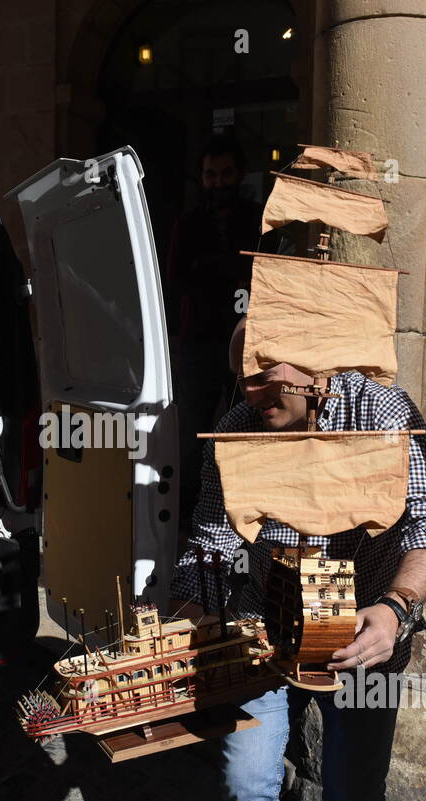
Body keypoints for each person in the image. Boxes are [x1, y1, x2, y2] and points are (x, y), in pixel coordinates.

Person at [171, 319, 426, 801]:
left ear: (310, 362)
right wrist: (188, 620)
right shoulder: (237, 426)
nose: (252, 394)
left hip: (364, 632)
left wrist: (395, 608)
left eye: (264, 377)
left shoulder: (380, 411)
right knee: (245, 779)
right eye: (242, 380)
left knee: (351, 793)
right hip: (266, 627)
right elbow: (210, 542)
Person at [166, 134, 263, 523]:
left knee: (247, 423)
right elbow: (175, 279)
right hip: (199, 344)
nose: (218, 182)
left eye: (225, 173)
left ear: (239, 174)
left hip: (246, 338)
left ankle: (243, 510)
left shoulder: (257, 218)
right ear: (201, 178)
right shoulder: (188, 223)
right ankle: (188, 514)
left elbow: (264, 269)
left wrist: (212, 270)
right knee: (193, 429)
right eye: (210, 175)